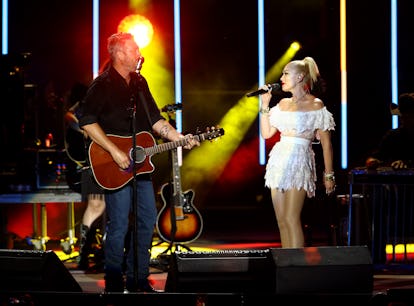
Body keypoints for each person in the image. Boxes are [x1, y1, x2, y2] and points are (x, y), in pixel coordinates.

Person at [78, 32, 200, 293]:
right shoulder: (101, 85)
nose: (139, 55)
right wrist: (114, 151)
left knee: (146, 220)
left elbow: (156, 120)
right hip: (114, 166)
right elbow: (87, 121)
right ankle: (113, 282)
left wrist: (180, 138)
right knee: (119, 223)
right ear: (120, 54)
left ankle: (138, 279)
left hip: (140, 167)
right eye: (134, 50)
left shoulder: (140, 82)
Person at [258, 56, 336, 248]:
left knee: (292, 218)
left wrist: (329, 175)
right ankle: (286, 264)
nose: (281, 78)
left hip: (300, 160)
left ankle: (297, 265)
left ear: (300, 77)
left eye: (286, 73)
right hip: (279, 161)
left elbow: (326, 144)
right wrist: (264, 105)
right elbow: (267, 133)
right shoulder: (282, 104)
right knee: (282, 220)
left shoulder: (316, 105)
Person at [63, 82, 106, 271]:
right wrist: (83, 130)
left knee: (108, 207)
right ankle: (83, 253)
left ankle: (102, 252)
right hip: (90, 163)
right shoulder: (87, 100)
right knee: (96, 205)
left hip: (107, 161)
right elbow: (69, 115)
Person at [365, 92, 414, 170]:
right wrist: (372, 162)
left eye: (410, 115)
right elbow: (374, 158)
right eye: (403, 115)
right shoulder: (393, 136)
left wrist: (407, 163)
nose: (405, 119)